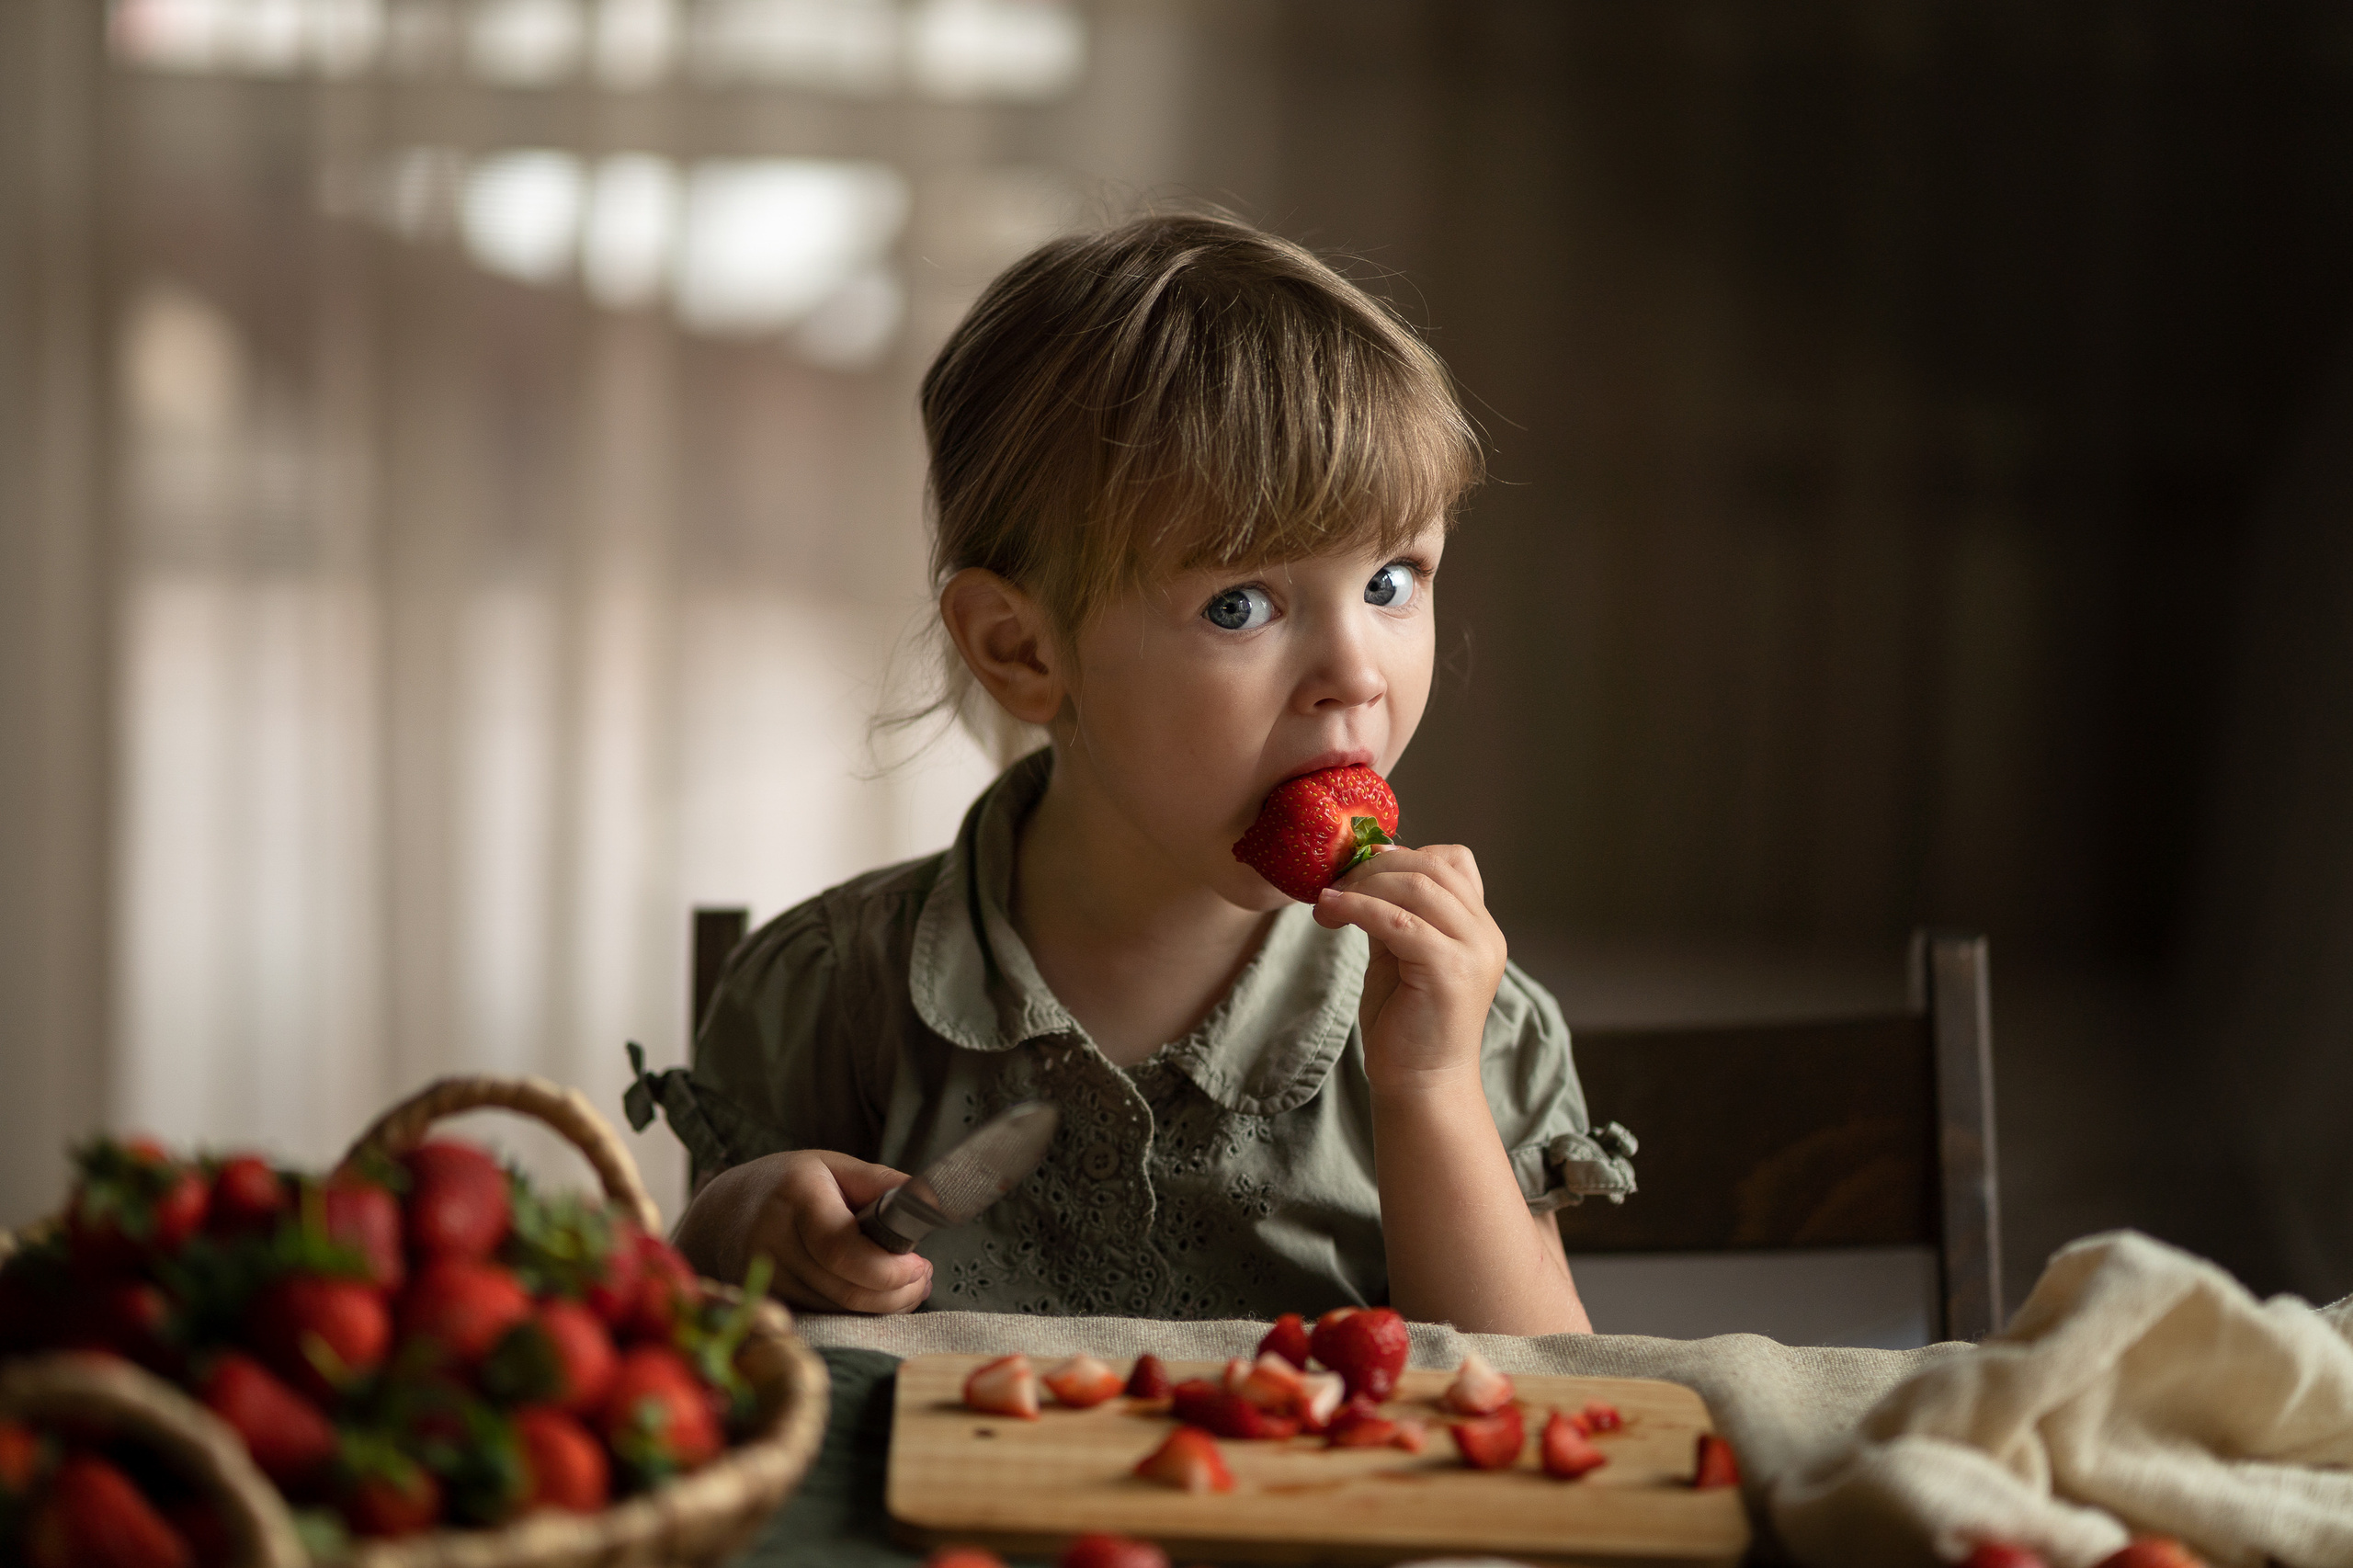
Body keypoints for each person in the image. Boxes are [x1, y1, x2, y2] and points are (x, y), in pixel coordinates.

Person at [641, 211, 1636, 1334]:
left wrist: (1430, 1090)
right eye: (1240, 604)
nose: (1355, 673)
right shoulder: (831, 994)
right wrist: (736, 1226)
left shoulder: (1458, 1014)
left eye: (1391, 581)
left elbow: (1545, 1384)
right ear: (1022, 650)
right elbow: (682, 1347)